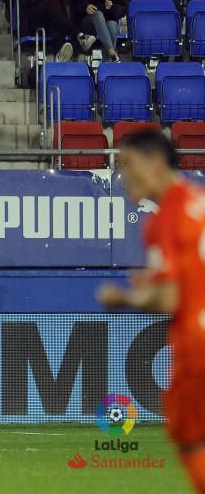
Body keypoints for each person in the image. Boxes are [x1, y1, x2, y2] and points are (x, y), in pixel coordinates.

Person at [98, 131, 205, 494]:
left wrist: (125, 298)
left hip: (197, 348)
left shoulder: (165, 218)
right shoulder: (198, 202)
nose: (124, 174)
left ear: (157, 163)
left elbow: (168, 300)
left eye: (129, 164)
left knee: (189, 438)